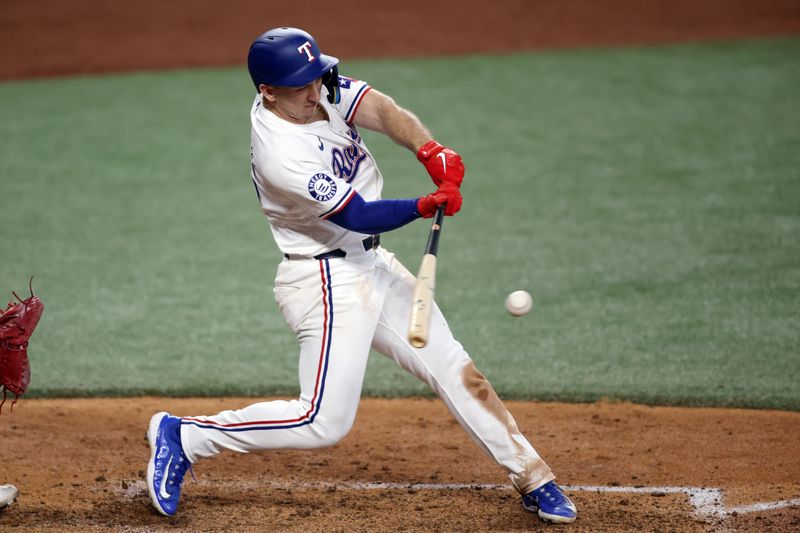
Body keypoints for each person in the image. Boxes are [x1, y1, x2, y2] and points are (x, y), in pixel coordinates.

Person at [145, 27, 577, 525]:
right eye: (302, 86)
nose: (318, 91)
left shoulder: (312, 89)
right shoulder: (281, 153)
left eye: (317, 77)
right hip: (326, 283)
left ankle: (533, 476)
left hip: (371, 265)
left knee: (456, 369)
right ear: (267, 91)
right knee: (322, 421)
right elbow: (358, 215)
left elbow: (377, 107)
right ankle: (184, 435)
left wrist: (429, 149)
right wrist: (422, 205)